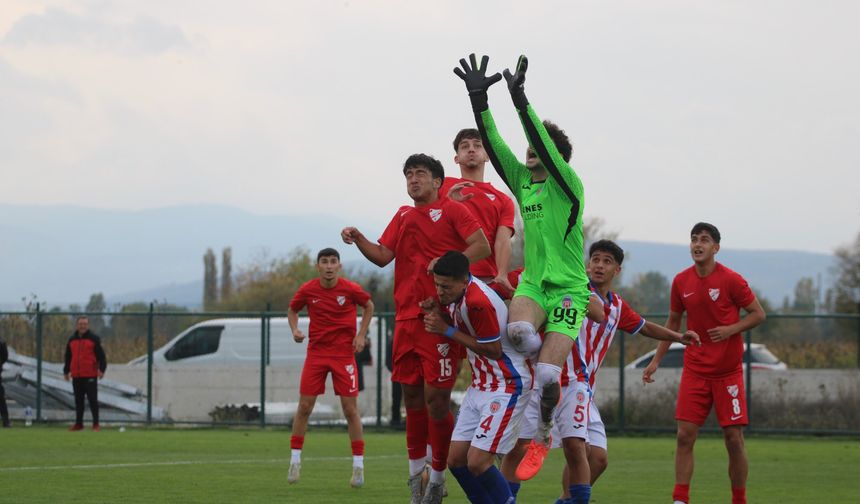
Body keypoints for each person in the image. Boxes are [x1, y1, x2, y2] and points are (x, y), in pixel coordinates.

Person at [454, 53, 592, 499]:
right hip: (533, 284)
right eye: (531, 146)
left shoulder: (569, 185)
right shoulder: (525, 185)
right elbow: (495, 147)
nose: (530, 151)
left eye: (540, 148)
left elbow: (544, 145)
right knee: (516, 331)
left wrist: (521, 100)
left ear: (555, 158)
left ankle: (543, 427)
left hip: (570, 288)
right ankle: (533, 390)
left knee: (550, 377)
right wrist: (481, 100)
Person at [502, 240, 701, 503]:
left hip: (580, 386)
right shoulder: (567, 285)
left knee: (596, 457)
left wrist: (678, 336)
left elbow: (644, 327)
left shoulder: (617, 306)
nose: (599, 265)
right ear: (586, 264)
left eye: (607, 261)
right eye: (595, 259)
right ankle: (504, 498)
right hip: (545, 383)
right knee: (527, 447)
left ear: (616, 270)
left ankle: (565, 500)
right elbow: (517, 279)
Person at [342, 153, 490, 504]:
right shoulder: (404, 215)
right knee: (412, 401)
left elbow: (482, 245)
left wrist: (452, 264)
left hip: (437, 320)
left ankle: (438, 480)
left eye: (420, 173)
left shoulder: (453, 211)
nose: (413, 179)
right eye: (408, 174)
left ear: (438, 181)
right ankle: (415, 479)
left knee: (437, 402)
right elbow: (382, 256)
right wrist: (360, 238)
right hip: (405, 320)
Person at [642, 223, 766, 504]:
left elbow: (759, 314)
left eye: (705, 240)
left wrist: (731, 329)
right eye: (694, 240)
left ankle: (739, 499)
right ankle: (680, 499)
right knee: (684, 436)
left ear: (716, 248)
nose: (698, 244)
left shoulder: (732, 280)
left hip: (727, 374)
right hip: (695, 371)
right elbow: (672, 323)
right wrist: (656, 360)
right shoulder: (681, 281)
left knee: (734, 439)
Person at [420, 251, 531, 504]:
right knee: (456, 461)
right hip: (481, 385)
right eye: (437, 285)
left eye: (445, 287)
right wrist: (438, 309)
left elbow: (493, 350)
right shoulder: (461, 294)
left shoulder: (477, 301)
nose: (439, 291)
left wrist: (445, 329)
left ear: (463, 280)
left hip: (507, 384)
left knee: (478, 462)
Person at [287, 247, 375, 488]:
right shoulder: (308, 290)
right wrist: (294, 329)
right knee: (304, 406)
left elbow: (369, 306)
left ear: (339, 266)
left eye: (333, 261)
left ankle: (358, 467)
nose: (328, 265)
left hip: (343, 356)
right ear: (318, 266)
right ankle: (295, 461)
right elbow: (292, 309)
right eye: (324, 261)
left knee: (350, 410)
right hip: (316, 354)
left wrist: (361, 335)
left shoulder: (349, 289)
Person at [442, 128, 517, 298]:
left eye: (477, 145)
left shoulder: (503, 200)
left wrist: (503, 274)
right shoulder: (443, 186)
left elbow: (502, 241)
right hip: (447, 276)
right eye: (464, 146)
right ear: (456, 158)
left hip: (485, 280)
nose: (471, 149)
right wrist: (448, 202)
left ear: (487, 155)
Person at [63, 316, 107, 431]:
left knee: (93, 400)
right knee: (78, 401)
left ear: (88, 325)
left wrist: (102, 369)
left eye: (85, 324)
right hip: (76, 375)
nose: (82, 326)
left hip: (90, 375)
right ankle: (79, 424)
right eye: (80, 324)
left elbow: (101, 356)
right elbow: (68, 356)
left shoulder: (94, 339)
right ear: (77, 325)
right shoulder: (72, 339)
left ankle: (96, 424)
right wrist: (66, 371)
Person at [1, 336, 9, 428]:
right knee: (1, 398)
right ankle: (5, 421)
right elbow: (5, 357)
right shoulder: (1, 341)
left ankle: (6, 421)